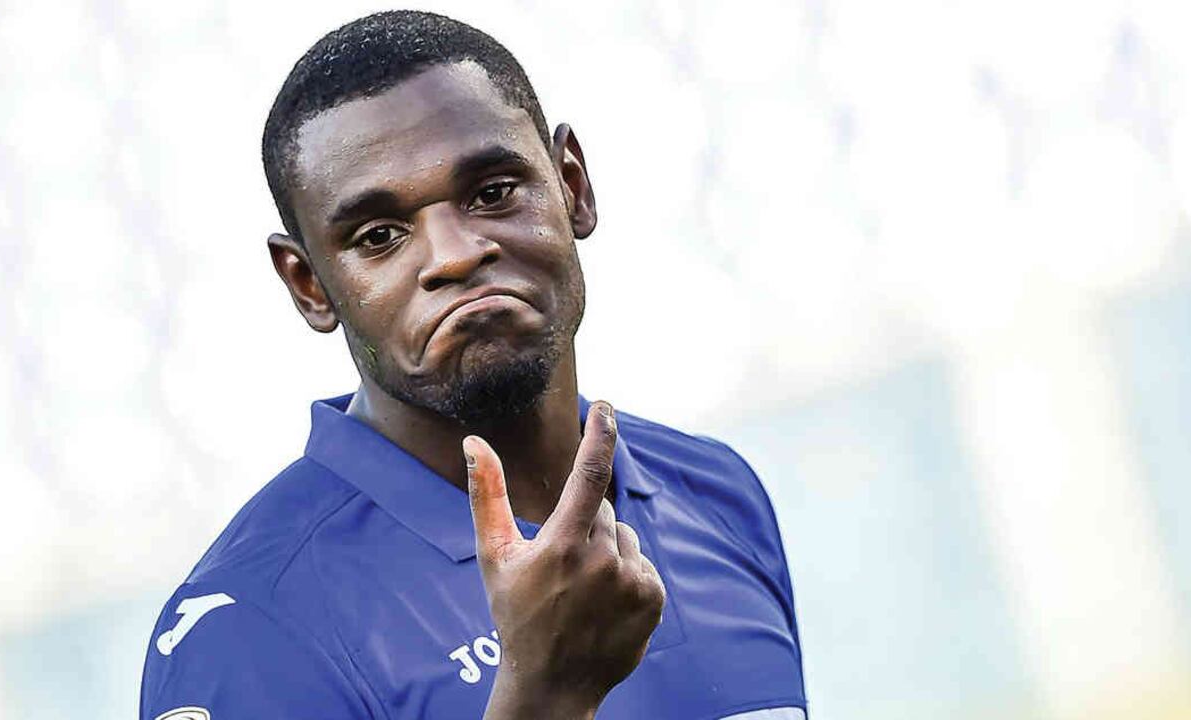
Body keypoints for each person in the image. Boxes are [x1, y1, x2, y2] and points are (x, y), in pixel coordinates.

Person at [139, 10, 807, 720]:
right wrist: (544, 696)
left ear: (572, 185)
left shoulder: (714, 492)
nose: (455, 255)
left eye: (492, 193)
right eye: (380, 235)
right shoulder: (248, 628)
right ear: (309, 284)